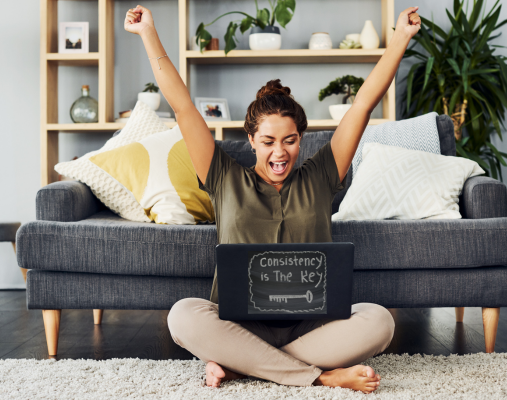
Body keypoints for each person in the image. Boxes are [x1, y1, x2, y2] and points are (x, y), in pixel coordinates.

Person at [124, 5, 421, 394]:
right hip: (239, 324)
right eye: (267, 142)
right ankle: (318, 376)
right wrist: (149, 34)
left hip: (312, 325)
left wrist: (399, 37)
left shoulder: (321, 174)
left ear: (302, 138)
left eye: (290, 140)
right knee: (183, 316)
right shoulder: (223, 176)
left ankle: (246, 365)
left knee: (379, 320)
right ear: (251, 140)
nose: (279, 153)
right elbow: (182, 107)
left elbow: (362, 105)